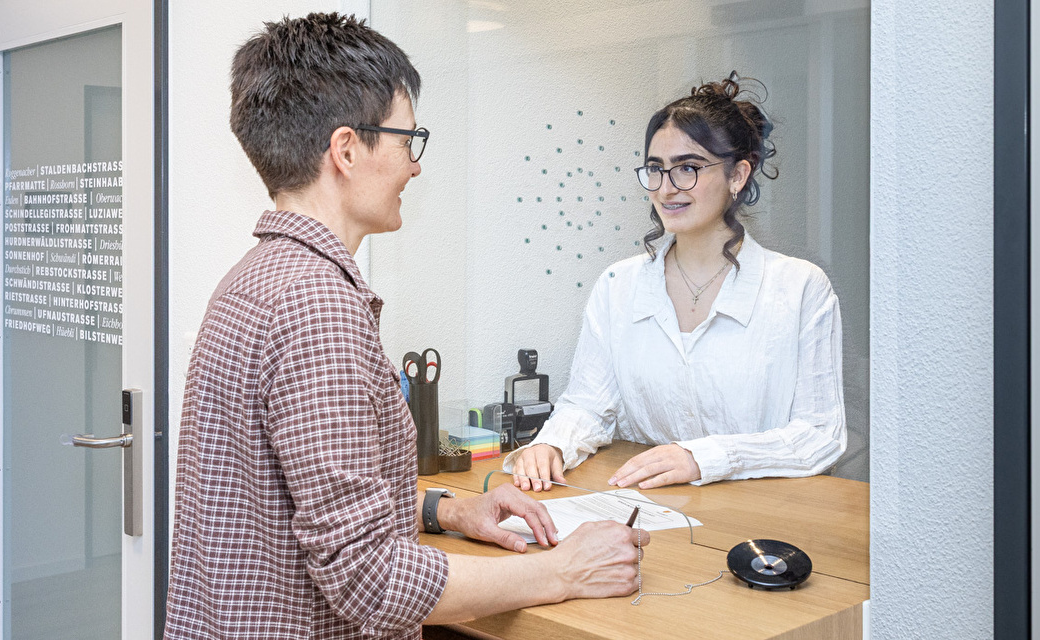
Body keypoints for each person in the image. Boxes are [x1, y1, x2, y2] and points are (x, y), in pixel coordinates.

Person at [165, 13, 647, 639]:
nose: (414, 167)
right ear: (346, 150)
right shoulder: (316, 306)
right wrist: (562, 570)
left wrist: (450, 511)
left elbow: (303, 497)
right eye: (406, 140)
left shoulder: (256, 277)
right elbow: (369, 581)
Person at [508, 73, 847, 492]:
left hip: (765, 516)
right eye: (656, 169)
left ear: (738, 175)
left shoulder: (799, 288)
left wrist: (702, 458)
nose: (667, 189)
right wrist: (552, 445)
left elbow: (819, 436)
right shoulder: (618, 284)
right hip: (648, 509)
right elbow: (590, 405)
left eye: (688, 168)